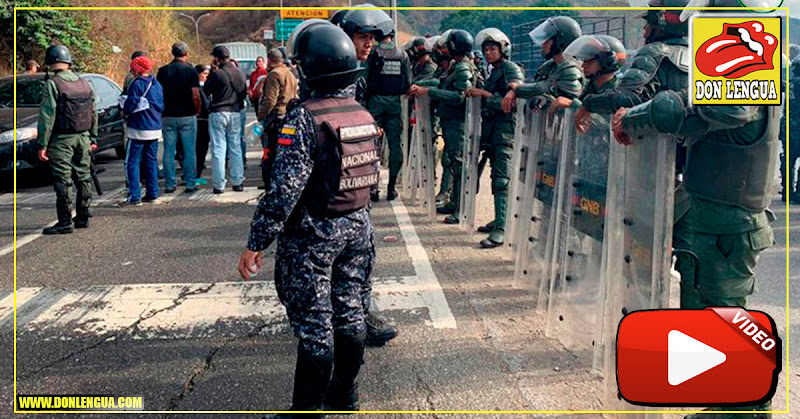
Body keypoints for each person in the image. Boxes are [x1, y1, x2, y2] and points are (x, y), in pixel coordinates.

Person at [612, 1, 778, 417]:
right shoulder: (742, 71)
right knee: (712, 314)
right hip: (719, 216)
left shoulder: (744, 76)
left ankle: (745, 408)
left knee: (726, 315)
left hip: (729, 220)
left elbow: (692, 110)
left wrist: (633, 116)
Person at [237, 20, 376, 417]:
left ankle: (306, 410)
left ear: (309, 69)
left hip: (314, 234)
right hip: (357, 227)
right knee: (350, 313)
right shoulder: (360, 113)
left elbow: (283, 192)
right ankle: (344, 396)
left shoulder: (304, 119)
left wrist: (256, 242)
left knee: (316, 327)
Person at [577, 0, 695, 295]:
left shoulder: (655, 53)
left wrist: (588, 104)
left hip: (656, 170)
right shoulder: (704, 57)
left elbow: (626, 99)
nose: (643, 30)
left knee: (644, 251)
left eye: (648, 23)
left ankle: (641, 321)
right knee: (691, 257)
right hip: (695, 171)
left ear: (662, 23)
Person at [331, 6, 399, 347]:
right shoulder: (330, 73)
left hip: (355, 177)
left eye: (372, 37)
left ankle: (357, 313)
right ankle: (350, 318)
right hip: (334, 180)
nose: (369, 44)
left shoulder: (359, 72)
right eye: (362, 37)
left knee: (359, 255)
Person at [465, 28, 524, 248]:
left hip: (504, 131)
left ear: (503, 49)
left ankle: (502, 228)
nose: (488, 53)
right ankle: (500, 219)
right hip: (492, 130)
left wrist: (485, 95)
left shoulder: (508, 68)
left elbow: (512, 95)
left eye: (492, 49)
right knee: (494, 178)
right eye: (486, 49)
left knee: (502, 180)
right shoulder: (494, 70)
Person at [411, 29, 478, 224]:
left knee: (459, 164)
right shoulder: (455, 67)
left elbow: (459, 96)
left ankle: (461, 208)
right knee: (453, 162)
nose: (444, 49)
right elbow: (440, 82)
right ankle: (454, 203)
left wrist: (428, 91)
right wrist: (421, 85)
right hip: (450, 122)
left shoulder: (463, 68)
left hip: (458, 123)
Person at [36, 45, 98, 234]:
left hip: (62, 140)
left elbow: (47, 115)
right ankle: (83, 216)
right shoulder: (84, 83)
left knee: (63, 180)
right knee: (84, 176)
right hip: (84, 137)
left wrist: (42, 144)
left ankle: (64, 221)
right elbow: (93, 111)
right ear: (68, 61)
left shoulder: (52, 84)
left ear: (51, 63)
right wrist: (93, 136)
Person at [365, 20, 412, 201]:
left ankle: (373, 188)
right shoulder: (403, 54)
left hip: (375, 102)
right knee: (395, 146)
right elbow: (407, 82)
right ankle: (391, 187)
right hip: (395, 104)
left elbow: (365, 78)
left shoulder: (374, 53)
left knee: (371, 146)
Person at [502, 16, 583, 112]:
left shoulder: (571, 69)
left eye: (547, 40)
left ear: (560, 42)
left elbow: (546, 88)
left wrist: (517, 88)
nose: (543, 44)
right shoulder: (549, 67)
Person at [157, 42, 200, 194]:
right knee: (189, 150)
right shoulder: (190, 71)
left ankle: (169, 183)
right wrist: (197, 109)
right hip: (187, 114)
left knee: (169, 150)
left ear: (172, 53)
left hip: (168, 115)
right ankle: (190, 183)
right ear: (185, 54)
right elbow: (195, 94)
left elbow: (159, 94)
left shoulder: (162, 71)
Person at [121, 55, 165, 206]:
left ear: (136, 69)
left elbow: (131, 104)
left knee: (132, 162)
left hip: (139, 128)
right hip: (154, 127)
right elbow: (161, 105)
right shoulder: (156, 84)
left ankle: (135, 196)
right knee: (151, 161)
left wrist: (125, 110)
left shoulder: (137, 84)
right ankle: (153, 193)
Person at [204, 45, 247, 194]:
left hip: (218, 112)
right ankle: (238, 181)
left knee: (218, 149)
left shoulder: (217, 74)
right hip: (235, 112)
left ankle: (219, 184)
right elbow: (243, 93)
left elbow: (206, 90)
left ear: (216, 58)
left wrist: (212, 71)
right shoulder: (240, 73)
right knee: (235, 148)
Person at [257, 48, 298, 188]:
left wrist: (261, 116)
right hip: (288, 116)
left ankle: (270, 182)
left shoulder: (274, 74)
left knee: (270, 151)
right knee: (284, 151)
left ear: (269, 60)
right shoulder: (290, 73)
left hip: (276, 117)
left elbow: (270, 100)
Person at [783, 59, 800, 204]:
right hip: (798, 126)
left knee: (788, 160)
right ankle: (799, 191)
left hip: (788, 126)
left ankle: (787, 192)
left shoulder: (790, 84)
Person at [195, 64, 211, 184]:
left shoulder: (207, 87)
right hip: (202, 120)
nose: (207, 76)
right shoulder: (200, 89)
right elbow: (205, 105)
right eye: (204, 73)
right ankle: (196, 175)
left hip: (201, 120)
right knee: (200, 148)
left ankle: (195, 174)